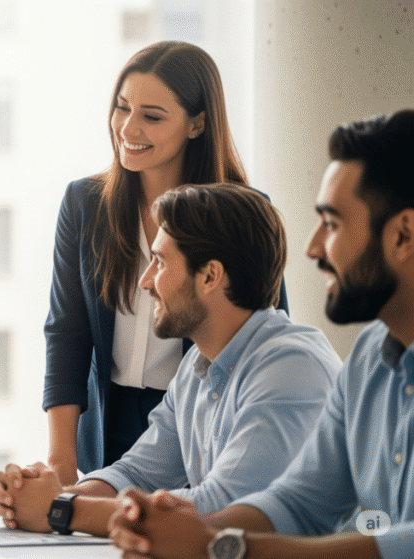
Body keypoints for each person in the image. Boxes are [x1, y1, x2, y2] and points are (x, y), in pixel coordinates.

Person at [107, 110, 414, 559]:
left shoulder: (292, 362)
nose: (311, 249)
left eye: (332, 224)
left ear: (404, 235)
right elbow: (299, 500)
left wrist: (223, 546)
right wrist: (178, 532)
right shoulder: (369, 357)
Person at [0, 183, 340, 537]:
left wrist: (60, 510)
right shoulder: (196, 367)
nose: (145, 282)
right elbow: (136, 473)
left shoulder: (291, 367)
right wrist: (45, 496)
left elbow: (224, 509)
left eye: (159, 261)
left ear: (209, 276)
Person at [43, 41, 289, 484]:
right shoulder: (84, 203)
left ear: (196, 124)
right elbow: (67, 332)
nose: (128, 127)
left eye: (152, 116)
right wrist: (61, 459)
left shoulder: (241, 212)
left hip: (198, 420)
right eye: (122, 107)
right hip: (107, 421)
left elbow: (265, 333)